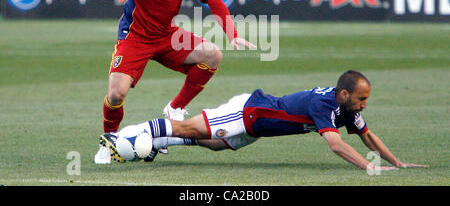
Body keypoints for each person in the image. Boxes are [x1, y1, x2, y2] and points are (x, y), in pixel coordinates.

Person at [33, 0, 255, 164]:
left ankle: (175, 108)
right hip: (135, 35)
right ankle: (109, 141)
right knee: (116, 94)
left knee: (212, 56)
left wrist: (231, 32)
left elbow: (215, 1)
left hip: (166, 35)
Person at [101, 70, 429, 171]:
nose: (364, 106)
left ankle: (157, 143)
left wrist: (397, 163)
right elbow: (336, 144)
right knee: (190, 127)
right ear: (344, 95)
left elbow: (367, 137)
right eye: (361, 99)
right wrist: (369, 167)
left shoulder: (346, 109)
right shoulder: (325, 105)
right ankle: (129, 136)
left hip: (258, 126)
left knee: (217, 145)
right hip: (250, 112)